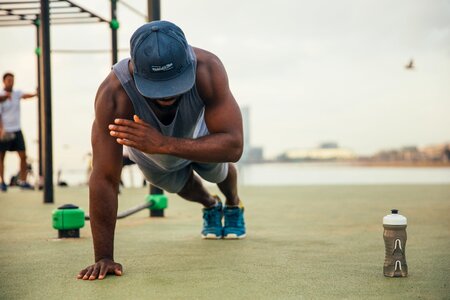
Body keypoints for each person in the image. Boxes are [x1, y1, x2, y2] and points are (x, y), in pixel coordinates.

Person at [78, 20, 246, 281]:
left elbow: (233, 145)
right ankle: (211, 205)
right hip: (147, 149)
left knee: (218, 171)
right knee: (178, 183)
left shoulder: (208, 68)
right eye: (158, 86)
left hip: (197, 132)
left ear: (188, 64)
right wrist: (103, 257)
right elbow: (104, 177)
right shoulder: (114, 95)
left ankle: (233, 205)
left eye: (174, 82)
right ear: (135, 72)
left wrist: (164, 143)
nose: (167, 94)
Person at [0, 72, 37, 192]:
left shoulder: (16, 94)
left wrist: (37, 93)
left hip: (17, 130)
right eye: (9, 80)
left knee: (23, 156)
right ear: (4, 81)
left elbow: (26, 96)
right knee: (1, 157)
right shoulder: (1, 95)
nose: (11, 82)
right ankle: (2, 182)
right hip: (5, 131)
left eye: (12, 80)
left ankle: (23, 181)